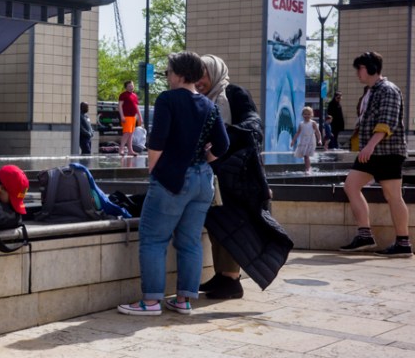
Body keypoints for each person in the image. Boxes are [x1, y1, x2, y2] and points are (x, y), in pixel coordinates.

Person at [117, 52, 229, 317]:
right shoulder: (209, 105)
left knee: (153, 239)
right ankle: (183, 300)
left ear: (179, 74)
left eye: (168, 71)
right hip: (203, 181)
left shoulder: (167, 99)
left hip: (173, 179)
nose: (167, 76)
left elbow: (157, 141)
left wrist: (154, 169)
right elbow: (223, 144)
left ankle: (151, 302)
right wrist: (205, 158)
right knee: (190, 241)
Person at [196, 54, 291, 300]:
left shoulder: (234, 93)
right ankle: (223, 275)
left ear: (215, 72)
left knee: (232, 222)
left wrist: (223, 140)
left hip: (236, 173)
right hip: (214, 173)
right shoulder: (201, 100)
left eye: (203, 74)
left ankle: (231, 279)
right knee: (218, 223)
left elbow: (253, 124)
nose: (199, 80)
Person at [339, 52, 410, 257]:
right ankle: (365, 236)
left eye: (359, 68)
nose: (357, 73)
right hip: (371, 152)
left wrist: (369, 146)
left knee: (393, 196)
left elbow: (387, 121)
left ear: (370, 68)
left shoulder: (388, 90)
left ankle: (403, 243)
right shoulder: (370, 91)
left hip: (387, 152)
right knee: (351, 185)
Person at [291, 106, 322, 172]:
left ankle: (308, 169)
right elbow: (298, 133)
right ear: (302, 115)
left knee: (306, 155)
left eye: (308, 114)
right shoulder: (301, 124)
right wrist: (293, 141)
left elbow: (317, 132)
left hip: (310, 140)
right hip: (303, 140)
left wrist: (319, 140)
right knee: (305, 156)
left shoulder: (313, 123)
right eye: (305, 114)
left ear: (311, 115)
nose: (307, 116)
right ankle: (308, 168)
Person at [118, 80, 143, 156]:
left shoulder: (134, 95)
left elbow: (136, 107)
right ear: (126, 87)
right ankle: (121, 149)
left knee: (131, 134)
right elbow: (120, 106)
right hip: (126, 116)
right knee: (127, 133)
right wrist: (122, 116)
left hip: (133, 117)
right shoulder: (123, 95)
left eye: (132, 85)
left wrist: (140, 117)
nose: (131, 87)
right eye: (129, 86)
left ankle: (130, 150)